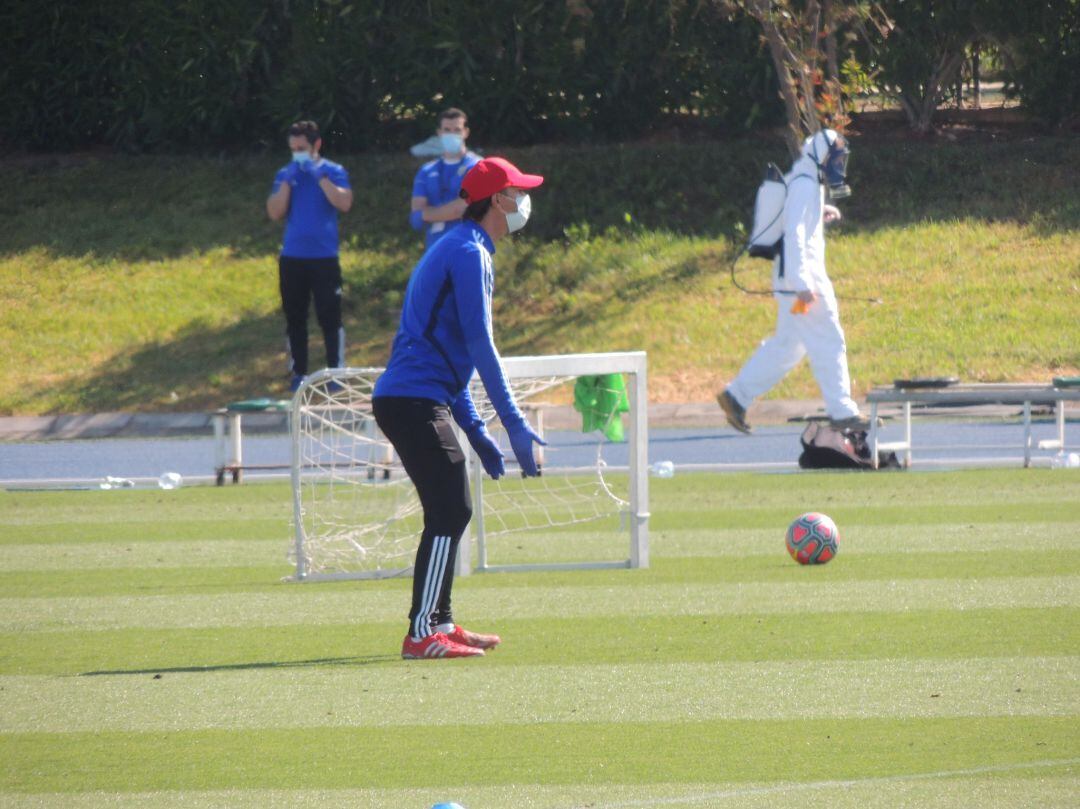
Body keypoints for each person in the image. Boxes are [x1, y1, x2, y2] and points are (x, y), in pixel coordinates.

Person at [373, 156, 546, 660]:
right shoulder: (470, 252)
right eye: (518, 191)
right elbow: (479, 345)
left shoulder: (461, 245)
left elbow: (452, 354)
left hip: (419, 396)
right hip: (412, 399)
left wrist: (475, 428)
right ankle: (422, 632)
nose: (523, 201)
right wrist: (511, 421)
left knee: (451, 508)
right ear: (498, 200)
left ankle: (439, 622)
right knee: (451, 507)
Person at [718, 128, 869, 433]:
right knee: (829, 339)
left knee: (788, 345)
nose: (838, 166)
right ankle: (842, 410)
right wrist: (803, 285)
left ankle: (736, 396)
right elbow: (795, 238)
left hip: (793, 279)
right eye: (835, 159)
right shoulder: (804, 185)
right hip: (803, 280)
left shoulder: (806, 182)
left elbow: (795, 221)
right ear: (821, 156)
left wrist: (820, 210)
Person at [266, 120, 354, 392]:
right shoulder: (285, 173)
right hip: (293, 257)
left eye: (302, 148)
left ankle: (335, 372)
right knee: (295, 317)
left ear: (316, 145)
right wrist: (288, 182)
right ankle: (299, 373)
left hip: (324, 257)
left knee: (330, 315)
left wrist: (320, 177)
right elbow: (274, 212)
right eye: (293, 149)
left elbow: (344, 203)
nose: (298, 153)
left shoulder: (333, 171)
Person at [409, 108, 481, 248]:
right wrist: (451, 210)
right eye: (447, 130)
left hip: (469, 247)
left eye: (457, 130)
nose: (452, 134)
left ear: (466, 132)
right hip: (435, 249)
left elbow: (465, 208)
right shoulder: (426, 170)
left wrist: (428, 213)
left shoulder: (478, 167)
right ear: (439, 133)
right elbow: (416, 217)